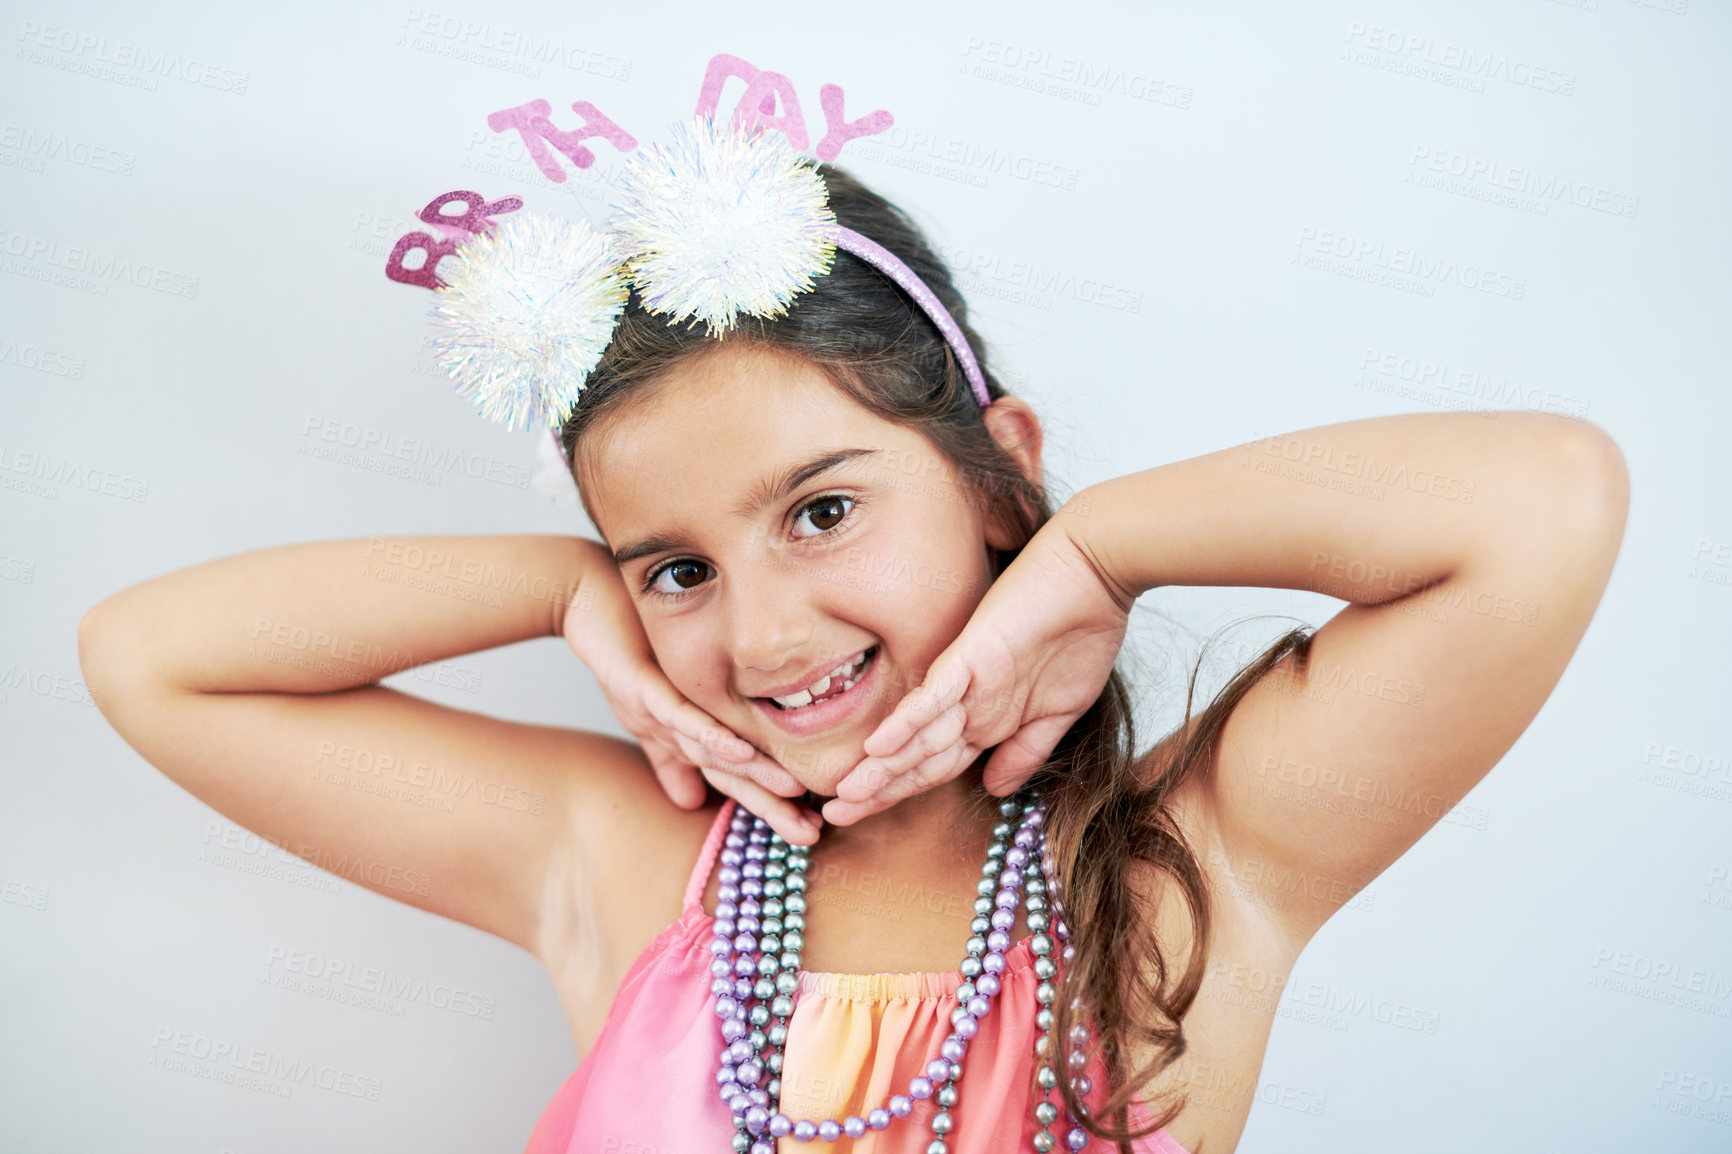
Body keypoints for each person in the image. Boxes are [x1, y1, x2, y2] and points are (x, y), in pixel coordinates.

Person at [76, 116, 1629, 1154]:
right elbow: (153, 656)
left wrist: (1099, 549)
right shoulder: (626, 864)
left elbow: (1544, 497)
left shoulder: (1191, 866)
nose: (758, 632)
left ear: (994, 467)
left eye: (821, 512)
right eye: (676, 569)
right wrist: (564, 584)